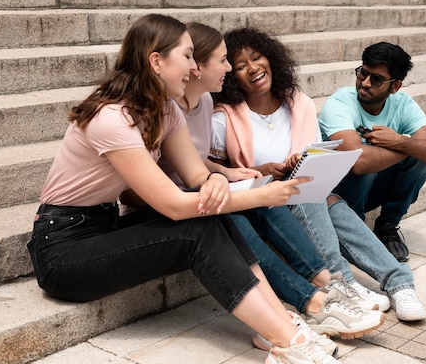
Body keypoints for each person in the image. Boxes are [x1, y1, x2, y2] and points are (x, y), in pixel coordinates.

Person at [26, 14, 353, 364]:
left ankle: (276, 323)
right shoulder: (112, 118)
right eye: (187, 57)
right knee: (196, 227)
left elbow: (196, 174)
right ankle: (288, 343)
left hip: (103, 226)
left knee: (214, 219)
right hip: (63, 250)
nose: (194, 67)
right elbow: (175, 206)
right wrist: (262, 195)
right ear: (156, 61)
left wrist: (214, 179)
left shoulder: (164, 109)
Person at [154, 22, 384, 345]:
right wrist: (221, 177)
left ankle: (327, 282)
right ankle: (311, 301)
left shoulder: (204, 103)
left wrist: (231, 173)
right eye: (224, 62)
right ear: (195, 68)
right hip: (177, 200)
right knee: (238, 220)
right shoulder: (171, 109)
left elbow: (194, 162)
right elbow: (169, 177)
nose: (230, 68)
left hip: (202, 188)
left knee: (266, 194)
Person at [211, 27, 426, 321]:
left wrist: (298, 166)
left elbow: (313, 162)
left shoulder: (298, 103)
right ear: (230, 74)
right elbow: (215, 177)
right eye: (239, 66)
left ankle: (398, 283)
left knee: (323, 196)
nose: (252, 69)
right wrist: (262, 171)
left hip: (305, 197)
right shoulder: (224, 118)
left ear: (271, 58)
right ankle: (341, 281)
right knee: (307, 189)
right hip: (261, 205)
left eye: (257, 57)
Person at [318, 42, 426, 263]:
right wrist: (408, 146)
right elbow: (358, 161)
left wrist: (400, 141)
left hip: (373, 188)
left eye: (377, 79)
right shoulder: (340, 103)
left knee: (422, 160)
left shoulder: (403, 104)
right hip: (338, 193)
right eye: (363, 73)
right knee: (371, 167)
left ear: (395, 86)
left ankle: (387, 226)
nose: (365, 83)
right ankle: (353, 232)